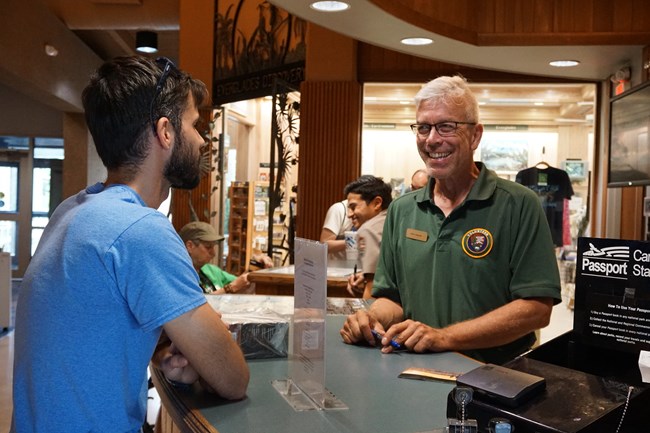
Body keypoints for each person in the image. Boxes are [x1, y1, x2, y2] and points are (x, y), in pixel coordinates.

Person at [11, 56, 249, 433]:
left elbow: (92, 334)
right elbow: (233, 379)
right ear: (166, 132)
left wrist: (164, 350)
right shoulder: (140, 229)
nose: (202, 139)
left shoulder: (71, 210)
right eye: (194, 124)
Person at [340, 75, 561, 365]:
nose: (432, 139)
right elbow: (392, 298)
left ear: (475, 135)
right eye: (423, 127)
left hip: (495, 379)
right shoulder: (402, 210)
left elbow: (536, 308)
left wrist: (445, 337)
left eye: (446, 126)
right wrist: (371, 317)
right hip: (414, 372)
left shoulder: (519, 204)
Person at [344, 175, 392, 299]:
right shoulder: (395, 219)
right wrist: (364, 275)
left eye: (353, 207)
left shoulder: (369, 229)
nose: (349, 215)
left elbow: (373, 289)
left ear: (377, 203)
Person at [180, 220, 260, 294]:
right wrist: (229, 288)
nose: (213, 253)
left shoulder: (211, 270)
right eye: (208, 247)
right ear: (189, 246)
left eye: (213, 247)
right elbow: (195, 305)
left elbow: (244, 283)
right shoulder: (178, 276)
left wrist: (256, 264)